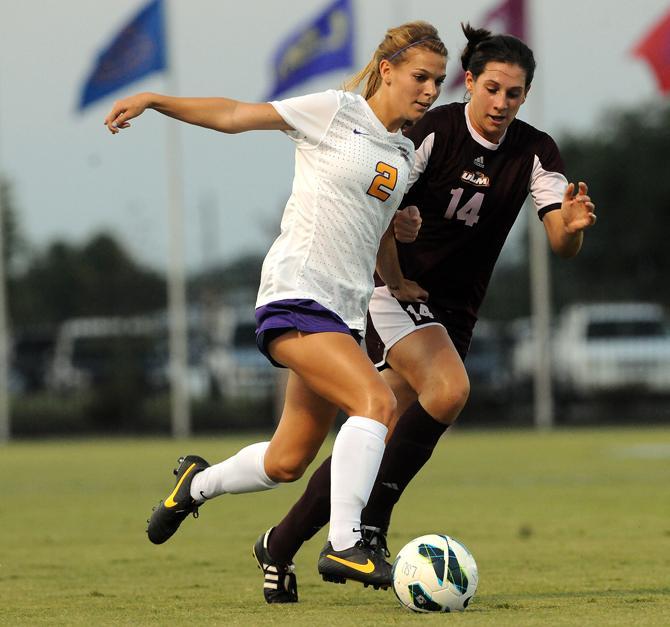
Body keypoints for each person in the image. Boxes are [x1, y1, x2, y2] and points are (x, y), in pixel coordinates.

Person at [253, 22, 597, 603]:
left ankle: (279, 544)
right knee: (448, 390)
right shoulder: (432, 130)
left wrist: (573, 225)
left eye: (514, 93)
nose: (501, 102)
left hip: (454, 313)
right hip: (399, 295)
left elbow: (560, 241)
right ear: (470, 83)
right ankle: (367, 529)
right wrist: (393, 274)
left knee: (378, 430)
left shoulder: (536, 151)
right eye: (492, 89)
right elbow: (378, 205)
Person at [104, 22, 447, 591]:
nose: (431, 90)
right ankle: (345, 545)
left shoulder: (403, 153)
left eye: (437, 80)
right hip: (296, 294)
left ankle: (195, 485)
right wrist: (155, 99)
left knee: (287, 462)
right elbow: (236, 114)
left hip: (342, 316)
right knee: (377, 403)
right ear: (386, 70)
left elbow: (378, 232)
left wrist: (400, 274)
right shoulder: (335, 112)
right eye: (420, 76)